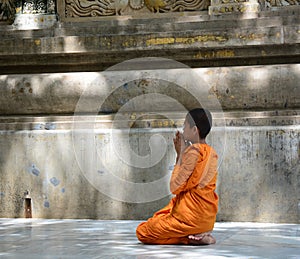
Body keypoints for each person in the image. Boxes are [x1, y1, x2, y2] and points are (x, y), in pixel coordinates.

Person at [136, 108, 219, 245]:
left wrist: (180, 155)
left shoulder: (193, 152)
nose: (183, 129)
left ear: (194, 130)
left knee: (143, 231)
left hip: (190, 219)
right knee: (166, 211)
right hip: (207, 220)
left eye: (185, 125)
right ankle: (196, 236)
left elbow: (175, 187)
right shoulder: (212, 152)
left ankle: (187, 238)